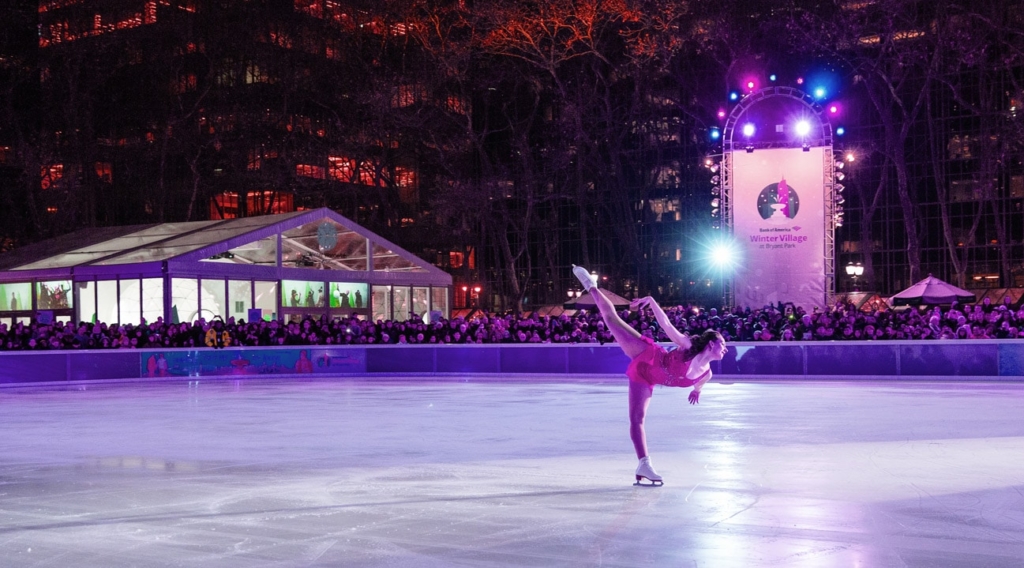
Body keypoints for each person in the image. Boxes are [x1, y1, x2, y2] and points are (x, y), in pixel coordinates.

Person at [572, 265, 727, 486]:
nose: (725, 349)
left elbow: (699, 386)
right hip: (648, 355)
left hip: (647, 378)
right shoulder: (688, 346)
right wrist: (652, 300)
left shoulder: (706, 375)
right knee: (612, 320)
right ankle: (591, 286)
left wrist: (696, 392)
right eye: (723, 345)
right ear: (711, 344)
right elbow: (666, 324)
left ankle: (643, 463)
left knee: (637, 419)